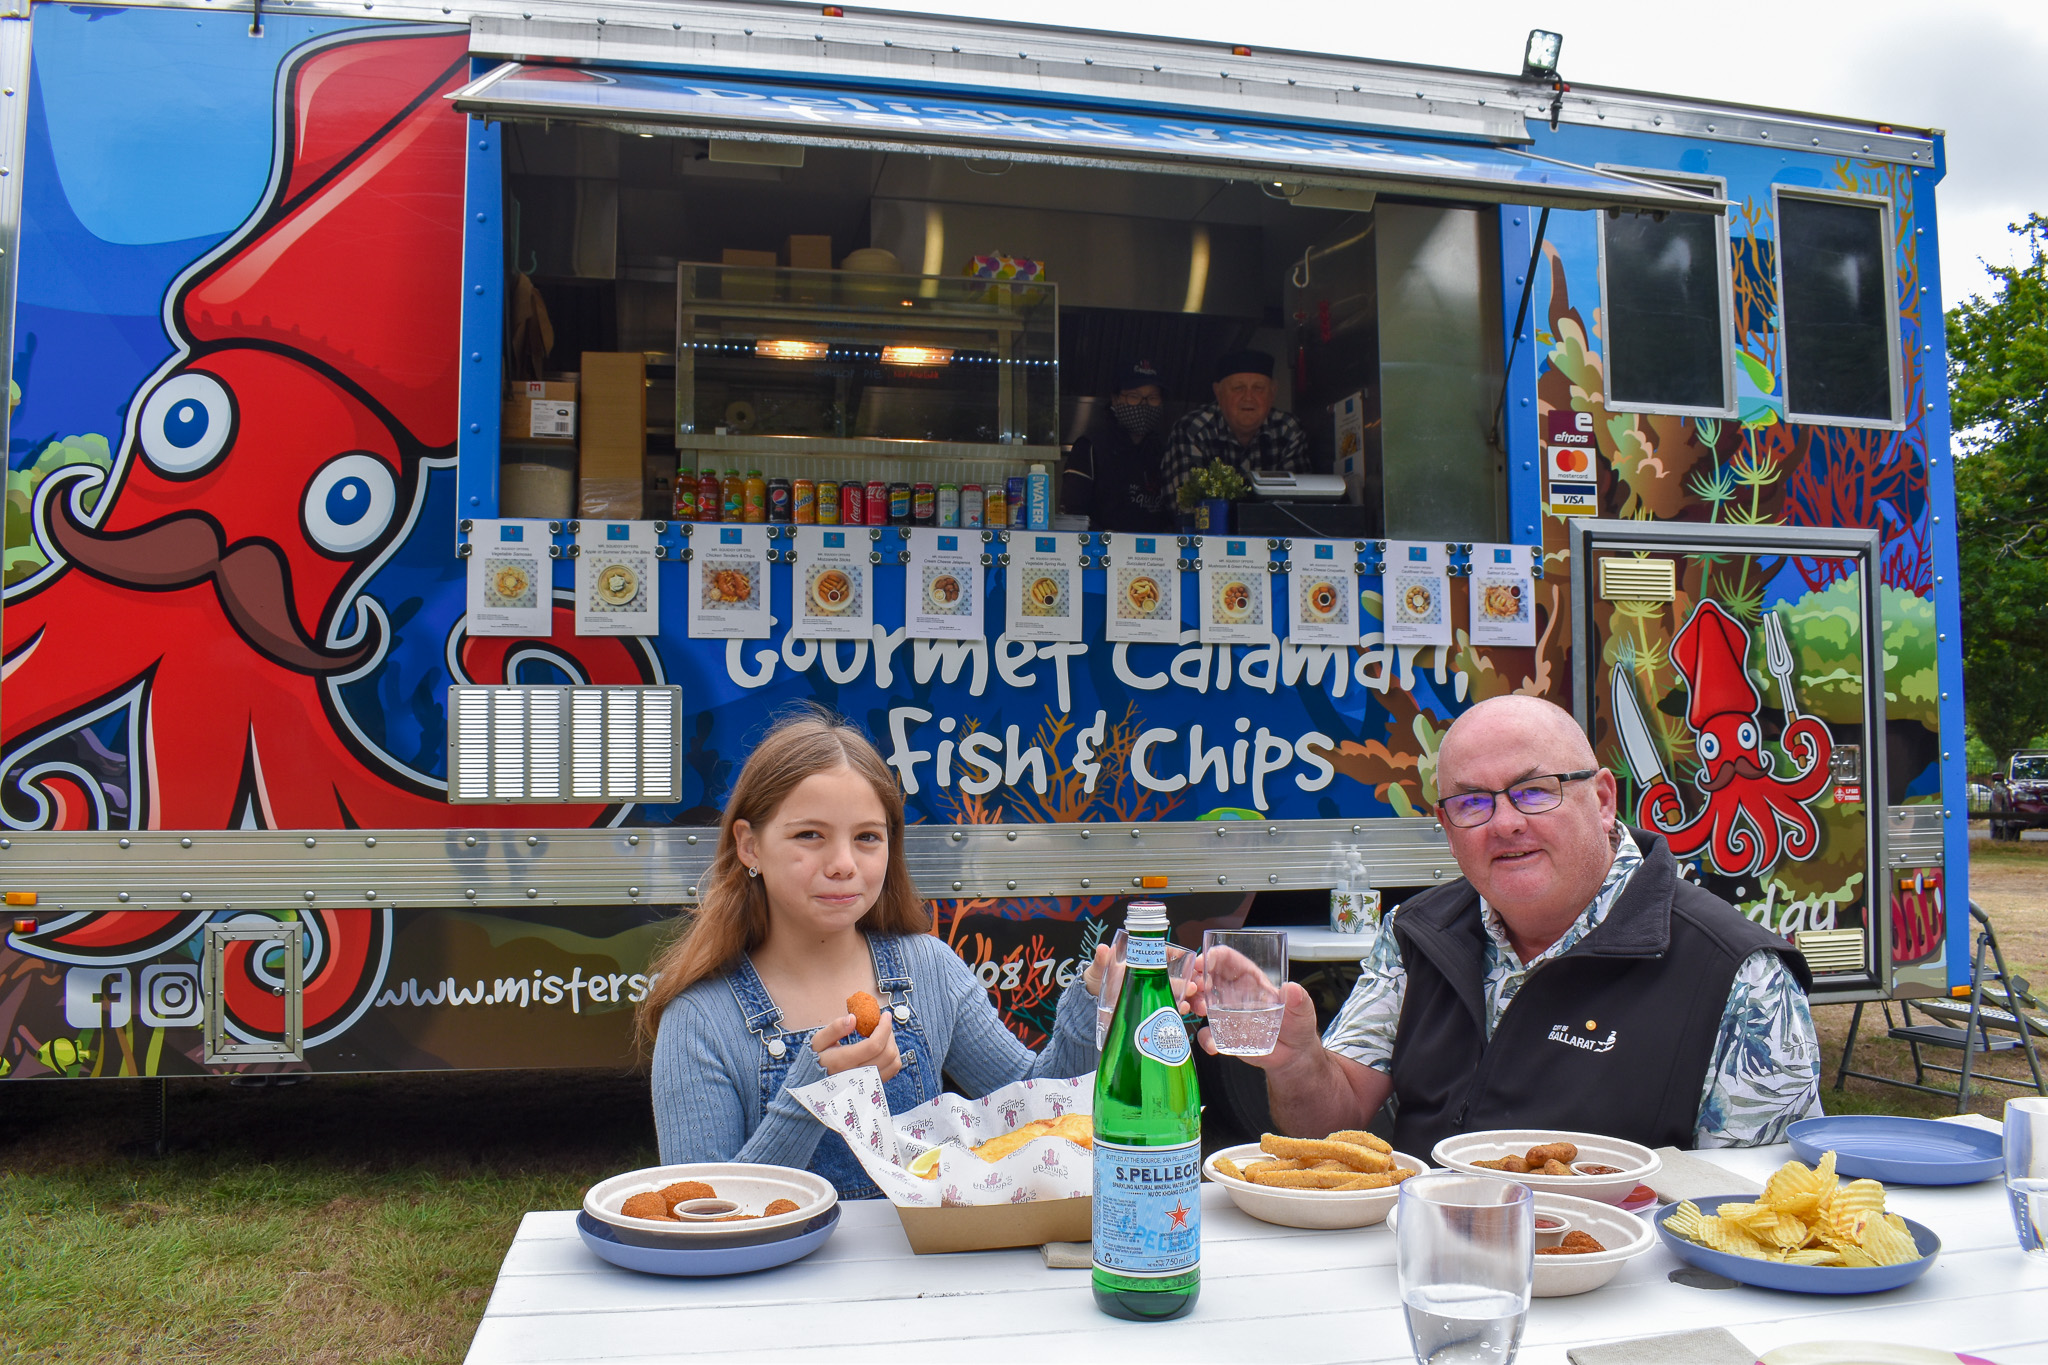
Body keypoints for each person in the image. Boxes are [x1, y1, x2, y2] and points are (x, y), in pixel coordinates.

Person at [1197, 695, 1821, 1153]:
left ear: (1602, 800)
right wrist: (1297, 1062)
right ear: (1446, 828)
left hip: (1616, 1294)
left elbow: (1756, 1211)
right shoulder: (1417, 934)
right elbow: (1330, 1135)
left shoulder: (1738, 975)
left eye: (1534, 790)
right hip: (1423, 1275)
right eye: (1471, 802)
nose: (1504, 823)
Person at [639, 710, 1109, 1198]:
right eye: (809, 835)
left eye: (867, 837)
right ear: (749, 845)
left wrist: (1096, 999)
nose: (843, 864)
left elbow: (1041, 1105)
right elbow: (697, 1217)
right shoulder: (699, 1021)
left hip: (921, 1269)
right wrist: (814, 1099)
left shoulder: (929, 969)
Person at [1161, 349, 1310, 501]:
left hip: (1273, 525)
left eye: (1258, 388)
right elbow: (1186, 504)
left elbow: (1298, 504)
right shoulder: (1192, 430)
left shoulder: (1288, 430)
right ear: (1218, 393)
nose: (1248, 397)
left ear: (1272, 392)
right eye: (1238, 388)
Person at [1061, 358, 1172, 531]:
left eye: (1152, 398)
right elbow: (1073, 514)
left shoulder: (1162, 450)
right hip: (1099, 553)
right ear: (1115, 399)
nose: (1144, 404)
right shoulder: (1090, 447)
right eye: (1134, 397)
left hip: (1153, 555)